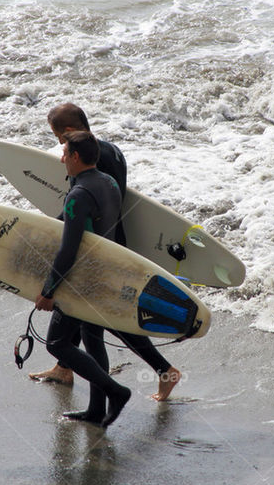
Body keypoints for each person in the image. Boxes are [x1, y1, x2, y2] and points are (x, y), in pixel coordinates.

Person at [28, 103, 183, 401]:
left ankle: (110, 399)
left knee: (95, 327)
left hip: (96, 256)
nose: (61, 150)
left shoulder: (88, 169)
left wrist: (56, 269)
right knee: (93, 322)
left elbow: (85, 214)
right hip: (110, 245)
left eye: (61, 140)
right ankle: (67, 370)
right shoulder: (110, 152)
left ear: (71, 133)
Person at [35, 131, 131, 427]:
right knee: (92, 340)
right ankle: (95, 410)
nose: (62, 158)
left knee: (57, 343)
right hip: (104, 273)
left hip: (81, 281)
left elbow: (69, 249)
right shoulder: (109, 182)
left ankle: (116, 392)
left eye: (65, 153)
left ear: (76, 157)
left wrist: (49, 290)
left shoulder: (78, 196)